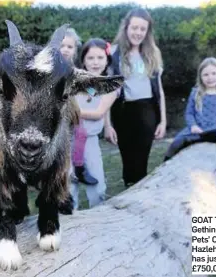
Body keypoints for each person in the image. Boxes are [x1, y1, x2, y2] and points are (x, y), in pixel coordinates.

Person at [107, 8, 167, 187]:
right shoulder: (114, 53)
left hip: (147, 111)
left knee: (142, 160)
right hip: (122, 111)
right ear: (126, 28)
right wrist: (108, 124)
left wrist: (163, 121)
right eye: (134, 28)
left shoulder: (153, 53)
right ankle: (129, 191)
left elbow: (160, 90)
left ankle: (140, 196)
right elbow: (105, 90)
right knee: (128, 160)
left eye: (143, 29)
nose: (138, 32)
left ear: (147, 31)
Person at [70, 38, 118, 209]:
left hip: (90, 141)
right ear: (83, 60)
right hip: (67, 140)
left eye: (100, 58)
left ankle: (98, 220)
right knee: (68, 190)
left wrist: (69, 113)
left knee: (97, 189)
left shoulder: (110, 86)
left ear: (107, 60)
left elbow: (99, 112)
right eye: (90, 58)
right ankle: (69, 225)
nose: (95, 62)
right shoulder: (75, 80)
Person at [164, 57, 216, 161]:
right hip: (197, 129)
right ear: (200, 77)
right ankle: (167, 159)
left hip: (215, 129)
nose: (210, 77)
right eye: (206, 74)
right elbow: (189, 113)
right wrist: (193, 126)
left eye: (214, 73)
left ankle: (205, 137)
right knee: (176, 142)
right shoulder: (196, 93)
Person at [60, 28, 98, 185]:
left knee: (81, 133)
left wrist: (92, 91)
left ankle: (79, 168)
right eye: (62, 46)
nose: (65, 50)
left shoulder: (74, 71)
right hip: (54, 112)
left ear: (75, 50)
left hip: (72, 111)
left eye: (70, 47)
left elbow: (85, 86)